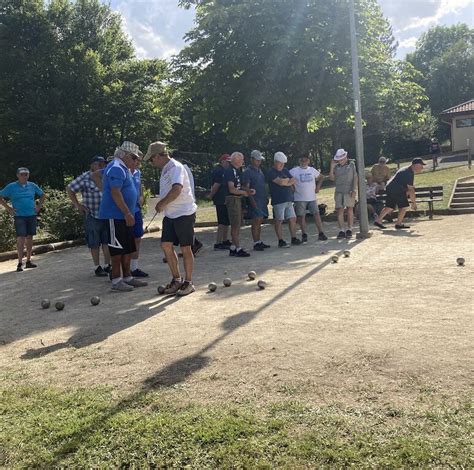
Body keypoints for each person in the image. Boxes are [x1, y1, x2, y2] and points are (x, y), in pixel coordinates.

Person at [144, 141, 197, 296]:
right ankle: (177, 280)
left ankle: (188, 282)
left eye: (151, 158)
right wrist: (164, 206)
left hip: (184, 213)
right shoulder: (165, 169)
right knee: (166, 245)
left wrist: (161, 203)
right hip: (171, 214)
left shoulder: (176, 167)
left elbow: (177, 189)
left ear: (159, 156)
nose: (151, 162)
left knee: (186, 248)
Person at [98, 141, 148, 292]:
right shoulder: (115, 168)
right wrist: (127, 212)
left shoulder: (124, 168)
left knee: (127, 247)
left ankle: (127, 277)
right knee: (117, 249)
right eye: (134, 157)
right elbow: (115, 192)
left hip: (125, 215)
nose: (136, 160)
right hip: (115, 215)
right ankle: (116, 280)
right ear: (124, 155)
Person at [67, 155, 111, 277]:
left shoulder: (106, 175)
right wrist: (78, 205)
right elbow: (70, 189)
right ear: (92, 165)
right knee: (94, 242)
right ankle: (97, 266)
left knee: (107, 241)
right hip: (92, 214)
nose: (102, 166)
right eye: (99, 164)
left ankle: (108, 265)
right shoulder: (85, 178)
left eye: (104, 164)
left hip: (107, 214)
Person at [0, 167, 45, 272]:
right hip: (19, 215)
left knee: (30, 237)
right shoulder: (11, 187)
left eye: (26, 174)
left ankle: (29, 261)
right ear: (17, 175)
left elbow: (42, 195)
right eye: (22, 174)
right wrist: (8, 208)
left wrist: (39, 206)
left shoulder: (32, 185)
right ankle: (19, 263)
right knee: (21, 238)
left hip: (31, 215)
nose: (24, 176)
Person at [374, 158, 426, 230]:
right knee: (403, 207)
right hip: (397, 189)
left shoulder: (407, 170)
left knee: (389, 206)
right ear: (415, 165)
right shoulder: (408, 173)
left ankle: (378, 221)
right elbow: (411, 190)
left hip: (390, 187)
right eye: (421, 165)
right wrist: (414, 203)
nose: (422, 168)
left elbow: (408, 187)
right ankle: (398, 224)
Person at [290, 153, 328, 243]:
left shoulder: (312, 170)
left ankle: (321, 233)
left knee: (316, 214)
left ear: (308, 161)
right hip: (299, 198)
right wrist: (292, 188)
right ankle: (304, 234)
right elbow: (287, 178)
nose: (304, 162)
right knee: (301, 216)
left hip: (312, 197)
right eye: (302, 160)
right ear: (299, 161)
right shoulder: (294, 171)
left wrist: (318, 186)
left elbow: (322, 177)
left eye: (305, 160)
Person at [223, 152, 256, 257]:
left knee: (238, 224)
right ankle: (238, 248)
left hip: (237, 199)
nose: (243, 161)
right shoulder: (229, 171)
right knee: (235, 225)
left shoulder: (237, 171)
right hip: (232, 199)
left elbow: (239, 186)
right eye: (241, 159)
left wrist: (248, 190)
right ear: (236, 160)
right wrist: (243, 193)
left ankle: (233, 247)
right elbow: (231, 189)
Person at [267, 152, 301, 248]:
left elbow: (293, 180)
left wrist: (286, 182)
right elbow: (281, 182)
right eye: (279, 163)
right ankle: (280, 240)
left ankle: (293, 238)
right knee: (279, 220)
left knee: (292, 218)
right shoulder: (271, 172)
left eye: (283, 163)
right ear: (275, 162)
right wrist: (286, 182)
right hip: (278, 200)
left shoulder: (285, 170)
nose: (282, 165)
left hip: (288, 199)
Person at [242, 150, 270, 251]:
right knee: (255, 221)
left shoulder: (260, 171)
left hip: (261, 199)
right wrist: (251, 200)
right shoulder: (247, 172)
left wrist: (266, 197)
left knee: (260, 220)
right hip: (254, 200)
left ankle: (258, 241)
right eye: (257, 160)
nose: (259, 162)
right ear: (252, 159)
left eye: (260, 160)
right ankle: (255, 242)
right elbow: (246, 187)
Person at [329, 149, 358, 239]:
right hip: (339, 191)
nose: (340, 160)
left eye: (342, 158)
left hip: (349, 190)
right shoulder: (336, 167)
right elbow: (331, 178)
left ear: (345, 157)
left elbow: (355, 177)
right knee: (340, 210)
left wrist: (354, 189)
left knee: (350, 209)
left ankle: (349, 229)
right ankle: (342, 230)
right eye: (339, 159)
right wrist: (331, 167)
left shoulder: (352, 164)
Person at [130, 150, 149, 277]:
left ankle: (134, 267)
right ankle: (120, 270)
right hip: (124, 212)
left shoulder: (138, 173)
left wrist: (141, 196)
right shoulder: (122, 171)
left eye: (140, 161)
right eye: (136, 160)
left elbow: (139, 187)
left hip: (136, 210)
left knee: (137, 238)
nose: (138, 163)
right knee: (125, 240)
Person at [209, 154, 232, 250]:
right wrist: (211, 195)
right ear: (222, 161)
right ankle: (218, 243)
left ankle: (225, 240)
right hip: (220, 200)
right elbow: (216, 185)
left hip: (224, 199)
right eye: (227, 161)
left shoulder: (224, 170)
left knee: (226, 221)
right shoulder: (219, 171)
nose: (229, 163)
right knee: (222, 222)